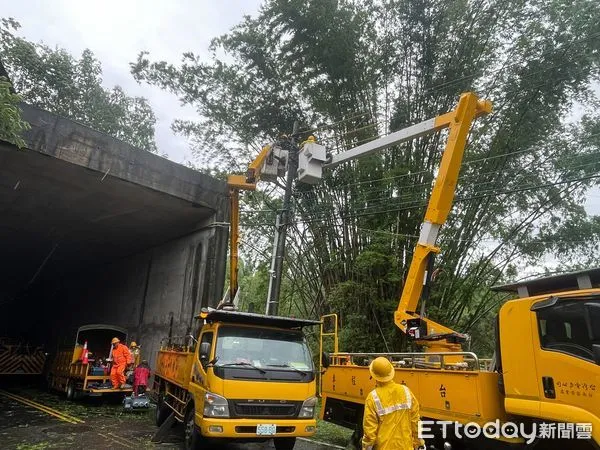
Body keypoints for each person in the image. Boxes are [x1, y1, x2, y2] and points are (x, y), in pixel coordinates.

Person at [361, 357, 424, 450]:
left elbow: (370, 432)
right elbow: (415, 422)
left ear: (373, 375)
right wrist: (419, 443)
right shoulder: (406, 391)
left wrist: (366, 448)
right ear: (391, 372)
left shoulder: (373, 397)